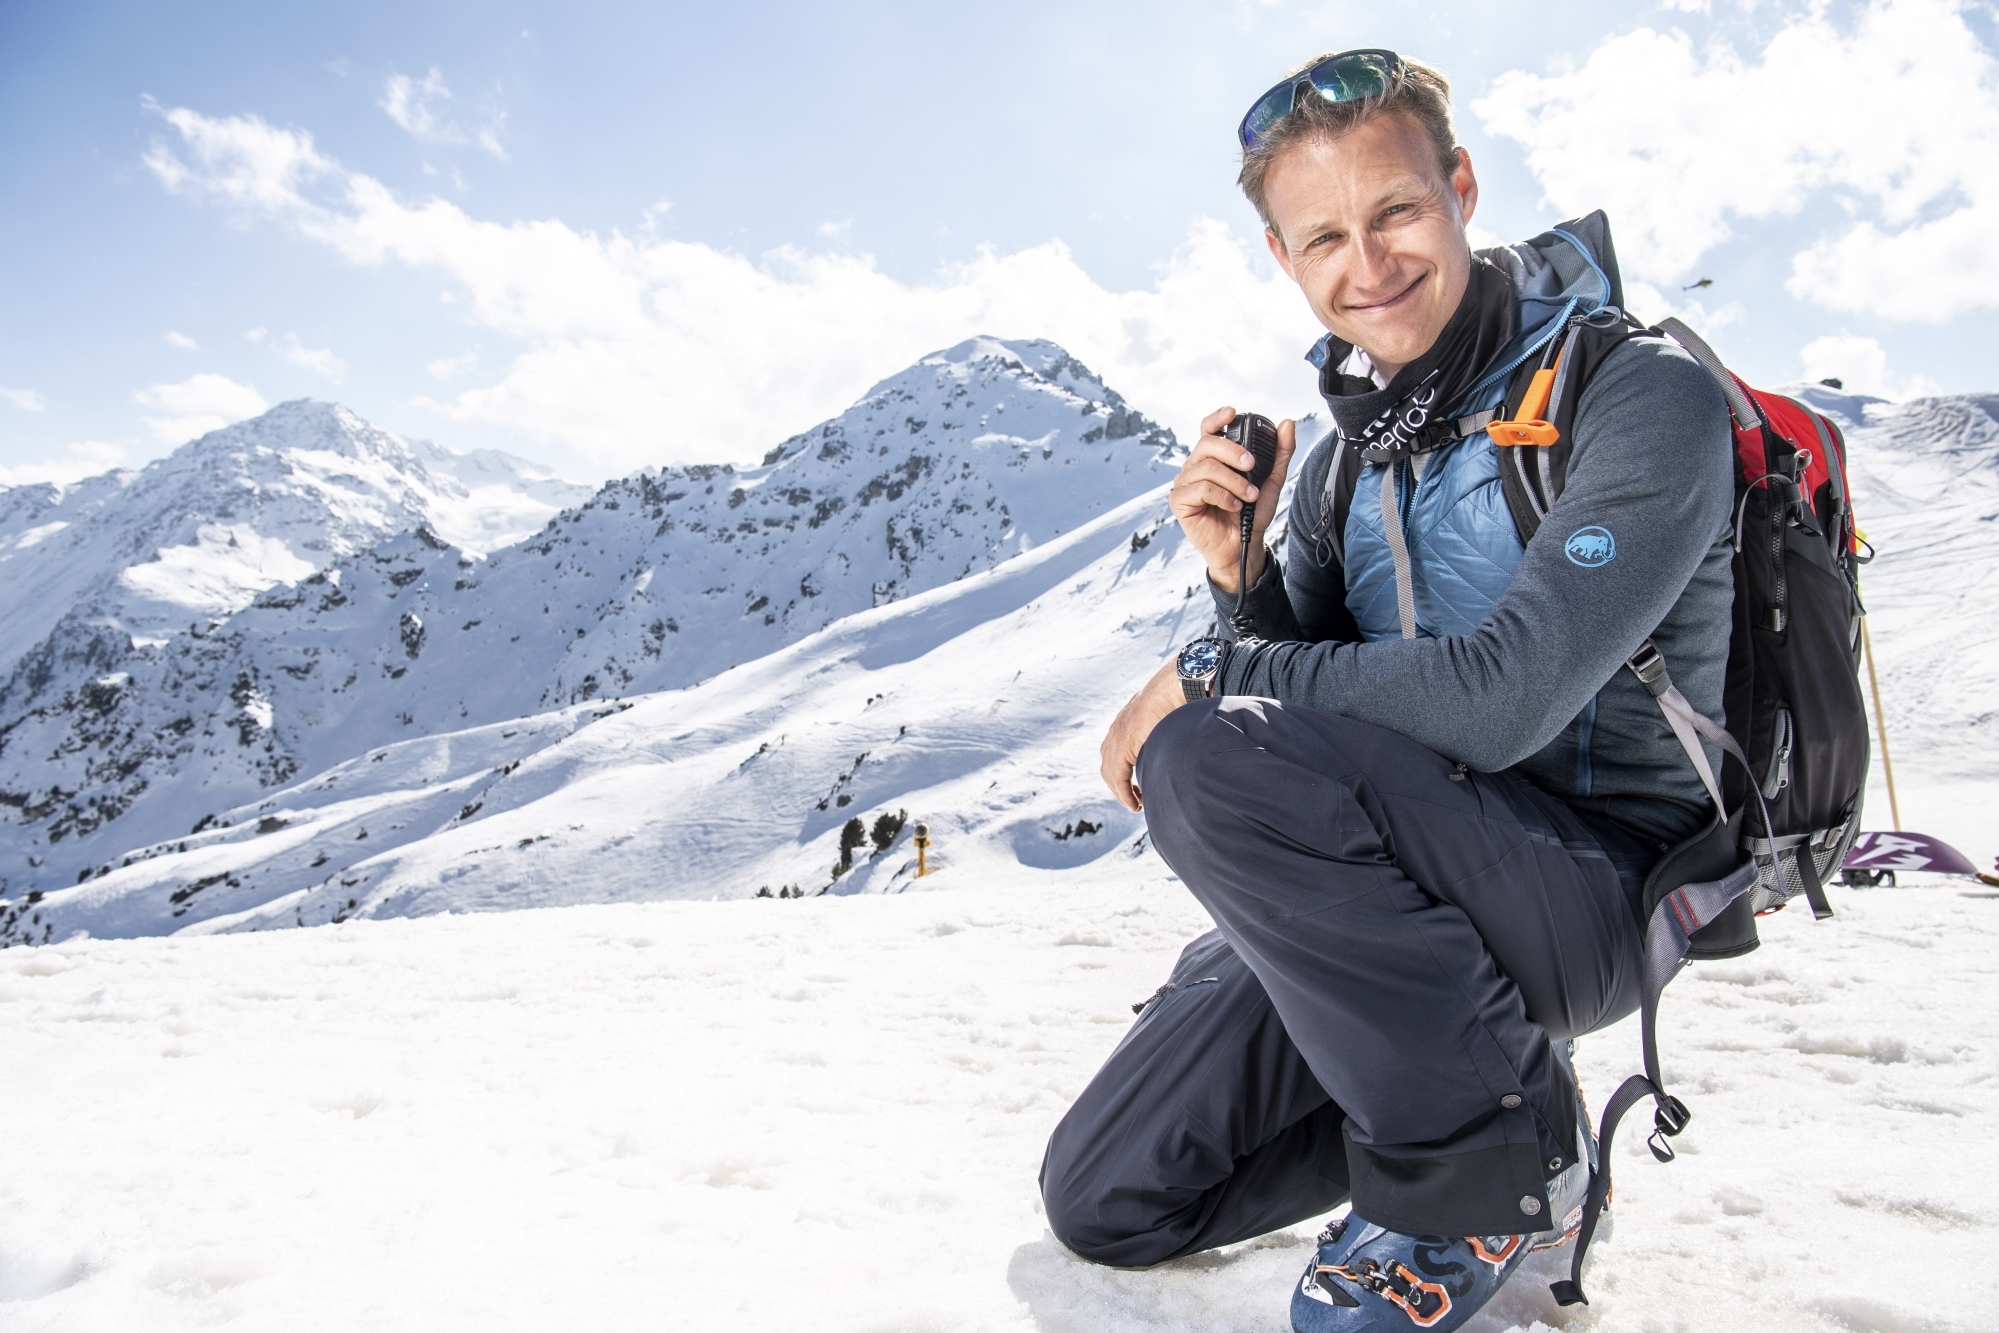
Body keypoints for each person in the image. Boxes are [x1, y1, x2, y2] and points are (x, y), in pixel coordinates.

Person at [1039, 50, 1736, 1332]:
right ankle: (1505, 1096)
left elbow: (1501, 698)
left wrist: (1211, 669)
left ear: (1460, 188)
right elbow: (1315, 705)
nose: (1368, 264)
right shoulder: (1349, 465)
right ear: (1282, 259)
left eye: (1398, 211)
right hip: (1416, 893)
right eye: (1324, 237)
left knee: (1206, 752)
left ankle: (1482, 1173)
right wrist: (1242, 590)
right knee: (1108, 1195)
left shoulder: (1639, 393)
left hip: (1598, 889)